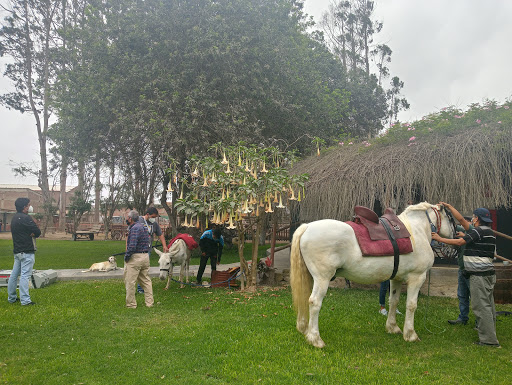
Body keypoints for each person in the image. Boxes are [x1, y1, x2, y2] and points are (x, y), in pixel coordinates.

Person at [432, 206, 500, 347]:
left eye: (474, 217)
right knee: (488, 305)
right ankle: (489, 333)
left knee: (481, 307)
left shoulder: (478, 231)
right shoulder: (487, 231)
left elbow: (459, 242)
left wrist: (439, 238)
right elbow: (462, 220)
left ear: (477, 219)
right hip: (487, 274)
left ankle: (489, 341)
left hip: (479, 276)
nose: (472, 219)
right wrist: (450, 207)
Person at [439, 202, 473, 325]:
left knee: (475, 297)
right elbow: (452, 226)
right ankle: (462, 318)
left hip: (472, 270)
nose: (463, 227)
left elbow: (460, 241)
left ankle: (480, 322)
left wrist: (439, 239)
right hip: (462, 269)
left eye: (466, 225)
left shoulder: (474, 233)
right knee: (462, 295)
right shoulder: (461, 230)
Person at [7, 198, 41, 305]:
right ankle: (25, 300)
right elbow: (37, 232)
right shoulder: (26, 218)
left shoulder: (14, 218)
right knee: (25, 276)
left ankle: (11, 298)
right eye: (28, 205)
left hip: (17, 251)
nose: (29, 207)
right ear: (24, 207)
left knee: (14, 275)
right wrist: (32, 233)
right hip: (27, 251)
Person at [124, 210, 153, 308]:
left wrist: (127, 257)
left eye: (127, 217)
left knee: (130, 282)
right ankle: (149, 303)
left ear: (130, 219)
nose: (126, 219)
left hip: (136, 258)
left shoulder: (135, 228)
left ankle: (131, 304)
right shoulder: (143, 227)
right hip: (145, 256)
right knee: (146, 281)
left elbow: (132, 246)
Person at [136, 207, 168, 293]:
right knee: (136, 269)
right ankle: (133, 287)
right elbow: (130, 233)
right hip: (137, 250)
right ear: (147, 215)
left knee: (144, 269)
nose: (154, 219)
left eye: (155, 217)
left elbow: (160, 235)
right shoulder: (138, 220)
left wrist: (164, 245)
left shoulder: (154, 224)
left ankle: (141, 288)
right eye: (153, 217)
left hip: (147, 250)